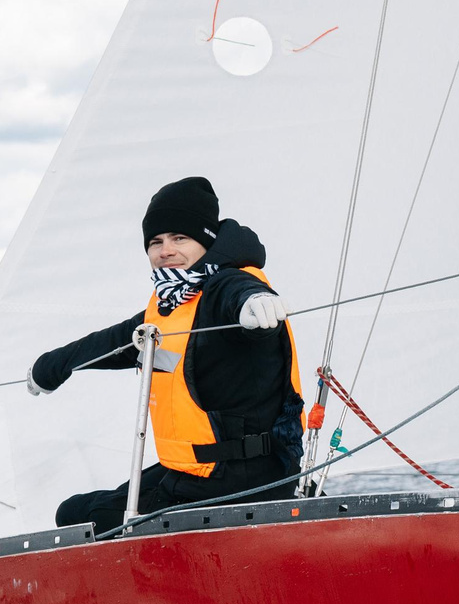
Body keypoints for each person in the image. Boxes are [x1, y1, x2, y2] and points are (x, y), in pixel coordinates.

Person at [31, 177, 303, 534]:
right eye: (155, 242)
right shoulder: (172, 304)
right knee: (73, 511)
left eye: (179, 238)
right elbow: (114, 342)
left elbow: (238, 292)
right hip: (197, 471)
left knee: (79, 517)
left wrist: (257, 304)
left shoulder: (225, 285)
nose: (165, 251)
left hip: (243, 483)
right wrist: (51, 367)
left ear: (206, 242)